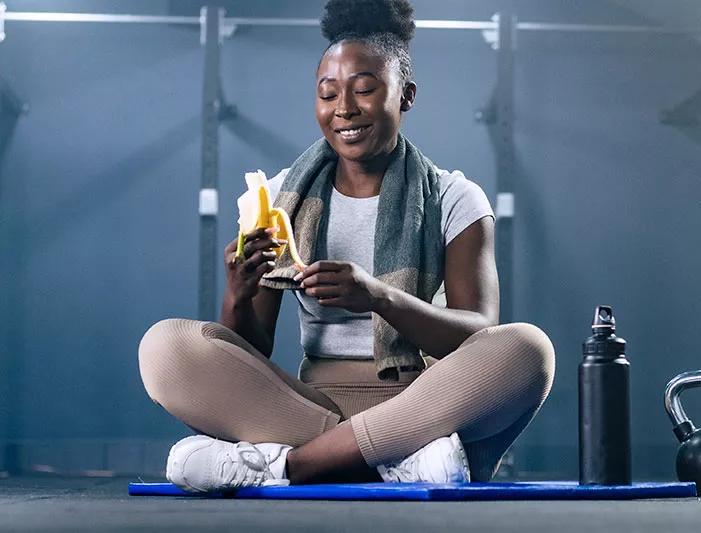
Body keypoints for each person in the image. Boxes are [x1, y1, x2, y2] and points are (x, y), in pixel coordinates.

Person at [138, 0, 555, 492]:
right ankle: (395, 461)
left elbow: (476, 332)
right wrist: (238, 291)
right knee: (163, 348)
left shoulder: (454, 197)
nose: (344, 109)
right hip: (304, 405)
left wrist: (380, 297)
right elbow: (250, 349)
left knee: (528, 348)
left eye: (364, 89)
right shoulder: (276, 197)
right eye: (328, 93)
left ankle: (285, 468)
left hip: (425, 401)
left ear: (406, 96)